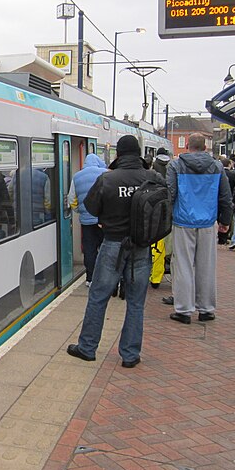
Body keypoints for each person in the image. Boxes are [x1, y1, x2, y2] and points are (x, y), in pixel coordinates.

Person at [66, 135, 165, 368]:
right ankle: (130, 355)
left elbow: (90, 206)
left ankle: (88, 348)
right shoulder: (153, 178)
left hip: (113, 244)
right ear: (139, 153)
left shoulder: (107, 179)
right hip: (141, 245)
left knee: (98, 296)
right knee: (136, 301)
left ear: (118, 155)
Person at [167, 133, 232, 324]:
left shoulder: (175, 165)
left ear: (187, 145)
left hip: (183, 221)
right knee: (206, 266)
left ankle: (184, 310)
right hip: (207, 223)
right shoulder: (217, 166)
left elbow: (170, 193)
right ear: (205, 147)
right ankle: (206, 309)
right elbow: (225, 197)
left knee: (183, 266)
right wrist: (225, 221)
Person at [68, 153, 107, 286]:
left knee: (89, 250)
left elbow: (71, 199)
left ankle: (90, 279)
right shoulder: (105, 173)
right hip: (104, 220)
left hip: (86, 221)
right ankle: (105, 278)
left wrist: (80, 211)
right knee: (105, 249)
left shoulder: (77, 176)